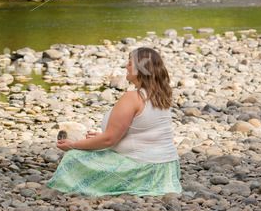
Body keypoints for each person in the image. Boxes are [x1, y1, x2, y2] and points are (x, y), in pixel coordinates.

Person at [46, 47, 182, 197]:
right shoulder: (160, 95)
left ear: (141, 69)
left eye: (130, 64)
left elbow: (109, 140)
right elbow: (143, 133)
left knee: (73, 158)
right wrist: (100, 138)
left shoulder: (133, 97)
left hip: (143, 170)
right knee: (95, 149)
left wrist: (73, 146)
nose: (126, 67)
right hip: (166, 169)